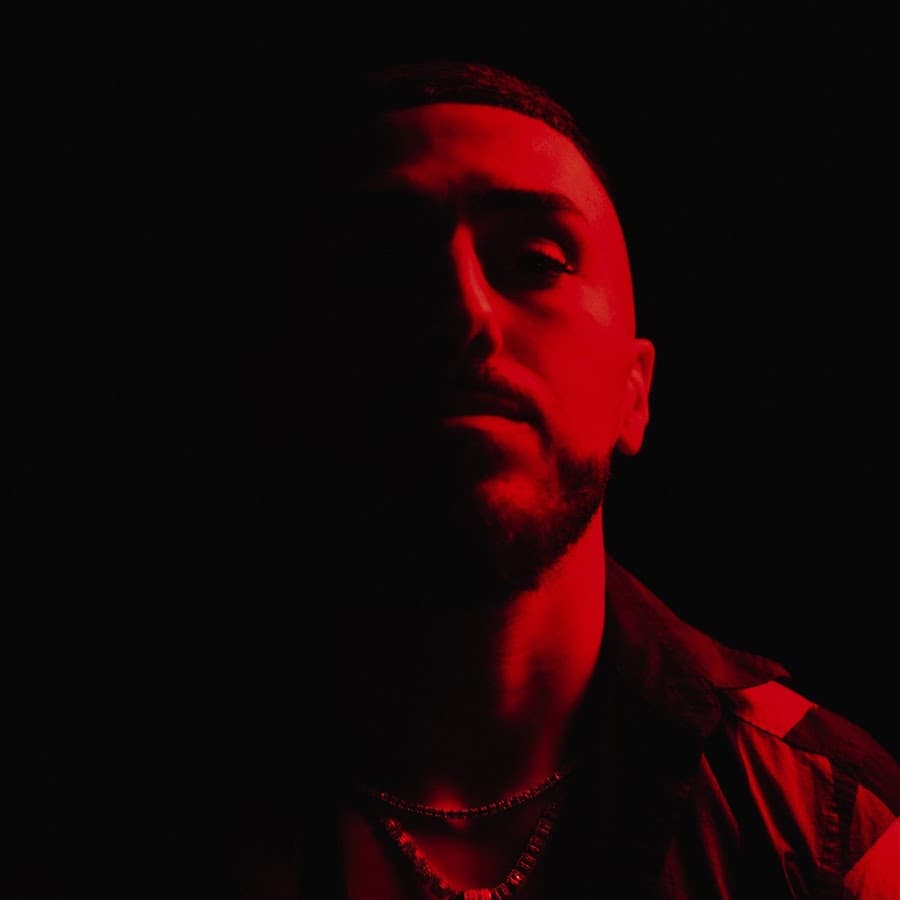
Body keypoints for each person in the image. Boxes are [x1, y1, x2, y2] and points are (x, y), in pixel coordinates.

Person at [9, 58, 898, 900]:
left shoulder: (833, 825)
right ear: (288, 375)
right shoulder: (94, 803)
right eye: (380, 264)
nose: (463, 309)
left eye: (538, 260)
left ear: (635, 393)